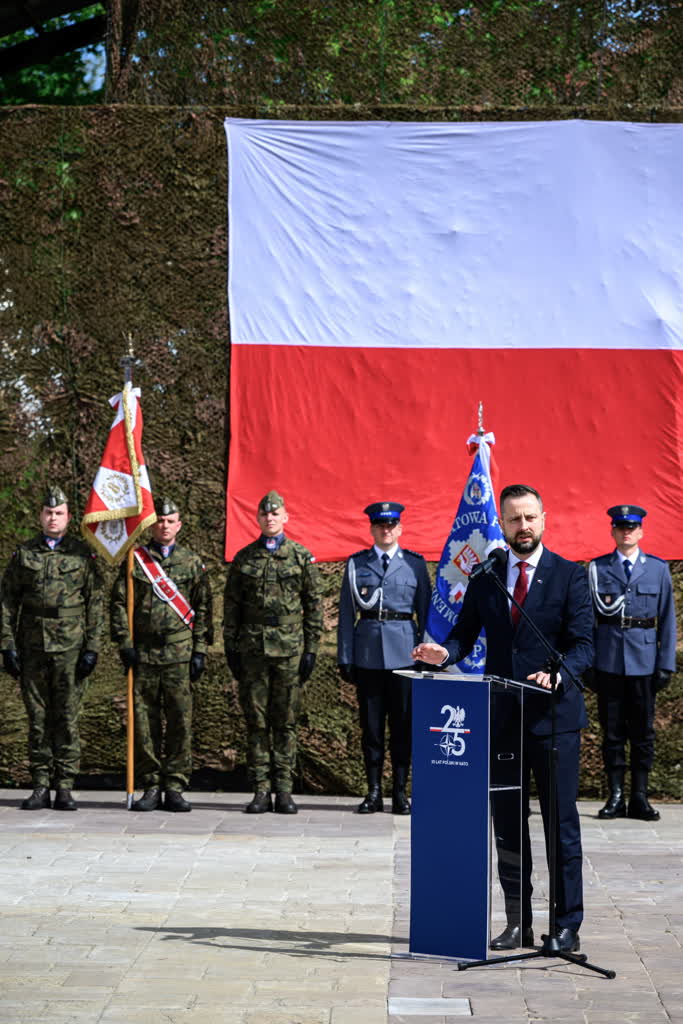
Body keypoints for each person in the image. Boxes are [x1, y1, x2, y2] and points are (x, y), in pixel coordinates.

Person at [413, 484, 593, 954]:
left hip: (554, 721)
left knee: (559, 826)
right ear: (504, 525)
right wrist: (443, 653)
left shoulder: (570, 576)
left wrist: (559, 674)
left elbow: (584, 645)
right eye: (514, 519)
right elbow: (463, 634)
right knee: (509, 826)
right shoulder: (487, 575)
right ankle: (518, 922)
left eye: (530, 517)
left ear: (544, 519)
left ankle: (566, 925)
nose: (523, 526)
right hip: (503, 719)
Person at [0, 485, 104, 811]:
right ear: (40, 516)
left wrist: (92, 647)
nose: (53, 518)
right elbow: (7, 602)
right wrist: (7, 645)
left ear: (68, 518)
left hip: (70, 648)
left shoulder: (82, 555)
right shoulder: (24, 554)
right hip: (32, 646)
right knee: (37, 719)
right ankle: (40, 785)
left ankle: (65, 786)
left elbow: (95, 603)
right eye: (48, 513)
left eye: (59, 513)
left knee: (67, 717)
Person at [110, 496, 213, 812]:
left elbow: (204, 608)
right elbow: (118, 603)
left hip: (179, 653)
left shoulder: (192, 562)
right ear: (151, 525)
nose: (165, 526)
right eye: (160, 521)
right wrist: (125, 643)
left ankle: (175, 786)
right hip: (144, 653)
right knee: (144, 722)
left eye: (170, 521)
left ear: (179, 525)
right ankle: (151, 784)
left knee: (180, 720)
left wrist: (200, 650)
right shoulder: (135, 560)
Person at [223, 490, 322, 814]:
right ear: (257, 518)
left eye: (275, 514)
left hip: (289, 651)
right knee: (256, 721)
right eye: (265, 514)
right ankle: (261, 789)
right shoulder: (244, 559)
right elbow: (232, 607)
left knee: (286, 722)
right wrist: (230, 647)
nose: (269, 518)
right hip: (253, 650)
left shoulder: (300, 557)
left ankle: (284, 790)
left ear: (285, 518)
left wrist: (311, 649)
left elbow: (313, 606)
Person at [338, 501, 431, 815]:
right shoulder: (357, 564)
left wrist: (426, 654)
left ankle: (400, 792)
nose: (386, 530)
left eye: (391, 525)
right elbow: (347, 614)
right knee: (372, 728)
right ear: (372, 529)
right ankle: (374, 791)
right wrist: (345, 656)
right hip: (368, 656)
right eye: (380, 526)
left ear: (400, 529)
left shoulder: (415, 564)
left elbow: (425, 613)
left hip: (405, 654)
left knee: (403, 727)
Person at [588, 504, 676, 822]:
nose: (626, 532)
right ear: (612, 531)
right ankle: (615, 796)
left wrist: (666, 663)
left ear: (641, 531)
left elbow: (667, 619)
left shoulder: (658, 569)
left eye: (632, 527)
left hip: (645, 662)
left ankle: (640, 796)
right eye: (621, 527)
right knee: (612, 732)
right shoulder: (597, 568)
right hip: (609, 660)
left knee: (643, 733)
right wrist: (588, 662)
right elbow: (588, 621)